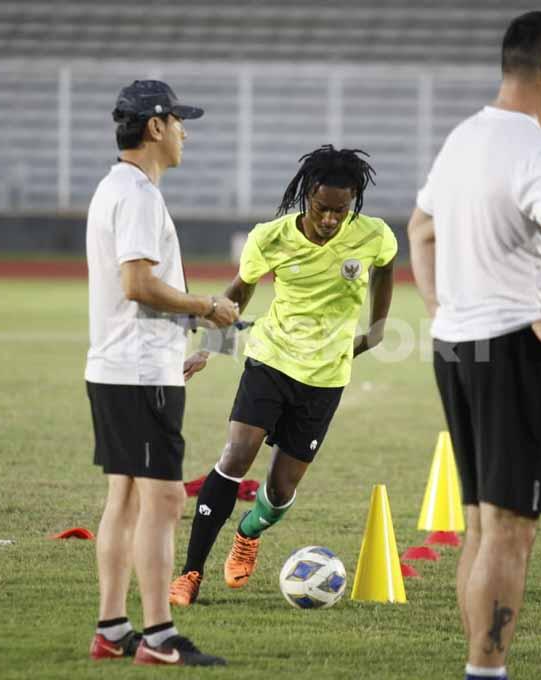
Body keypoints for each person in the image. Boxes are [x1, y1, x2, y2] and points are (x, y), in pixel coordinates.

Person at [406, 12, 541, 680]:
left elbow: (419, 228)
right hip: (514, 347)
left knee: (483, 526)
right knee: (510, 528)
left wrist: (438, 306)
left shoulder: (463, 138)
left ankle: (480, 666)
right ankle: (485, 673)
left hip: (456, 346)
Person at [167, 145, 396, 606]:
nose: (330, 219)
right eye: (321, 208)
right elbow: (239, 291)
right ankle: (190, 573)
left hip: (325, 378)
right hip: (270, 360)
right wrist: (210, 346)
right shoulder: (270, 238)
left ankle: (250, 532)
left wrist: (376, 329)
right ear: (305, 196)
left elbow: (386, 266)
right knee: (236, 457)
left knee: (280, 488)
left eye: (340, 210)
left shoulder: (373, 235)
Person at [84, 79, 239, 667]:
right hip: (138, 373)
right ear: (155, 126)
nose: (184, 134)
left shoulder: (115, 187)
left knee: (125, 497)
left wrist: (179, 343)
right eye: (178, 122)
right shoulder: (139, 195)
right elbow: (138, 283)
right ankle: (159, 636)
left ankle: (112, 628)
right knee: (165, 500)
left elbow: (136, 291)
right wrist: (207, 306)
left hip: (123, 367)